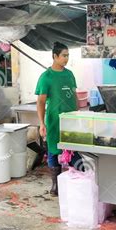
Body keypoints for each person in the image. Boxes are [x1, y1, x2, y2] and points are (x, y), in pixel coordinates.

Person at [35, 42, 78, 197]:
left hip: (71, 121)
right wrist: (41, 123)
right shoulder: (46, 77)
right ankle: (55, 185)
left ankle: (76, 181)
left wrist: (78, 114)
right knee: (53, 150)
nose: (66, 59)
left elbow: (74, 95)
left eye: (68, 56)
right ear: (55, 56)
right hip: (54, 121)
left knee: (74, 150)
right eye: (64, 55)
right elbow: (40, 102)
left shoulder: (70, 74)